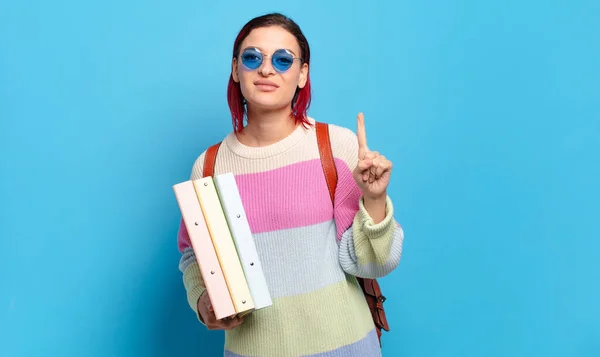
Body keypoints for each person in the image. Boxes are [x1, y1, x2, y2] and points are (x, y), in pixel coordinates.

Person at [176, 12, 404, 357]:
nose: (267, 70)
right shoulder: (209, 165)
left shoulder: (335, 148)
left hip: (346, 349)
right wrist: (203, 301)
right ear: (236, 69)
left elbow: (372, 265)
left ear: (302, 74)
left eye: (283, 60)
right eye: (253, 57)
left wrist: (375, 199)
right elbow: (194, 254)